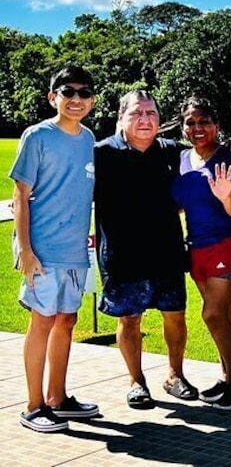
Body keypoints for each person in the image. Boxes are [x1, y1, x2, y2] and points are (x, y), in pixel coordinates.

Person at [94, 90, 198, 408]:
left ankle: (174, 375)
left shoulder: (174, 152)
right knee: (129, 319)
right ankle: (136, 381)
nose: (145, 120)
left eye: (151, 113)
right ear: (121, 118)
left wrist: (230, 147)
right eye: (137, 113)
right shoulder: (101, 153)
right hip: (122, 256)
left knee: (175, 315)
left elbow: (208, 156)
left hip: (166, 250)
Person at [11, 66, 100, 432]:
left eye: (84, 93)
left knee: (67, 320)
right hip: (43, 251)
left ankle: (57, 399)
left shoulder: (89, 138)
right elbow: (20, 196)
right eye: (68, 92)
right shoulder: (37, 136)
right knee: (43, 321)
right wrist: (27, 251)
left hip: (75, 251)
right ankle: (34, 407)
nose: (76, 99)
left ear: (92, 100)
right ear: (53, 97)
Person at [171, 97, 231, 410]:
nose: (198, 128)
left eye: (204, 121)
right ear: (183, 128)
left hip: (229, 243)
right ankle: (226, 375)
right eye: (191, 123)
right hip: (197, 249)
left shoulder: (230, 159)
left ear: (216, 125)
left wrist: (225, 197)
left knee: (213, 313)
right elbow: (180, 203)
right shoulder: (179, 159)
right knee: (225, 314)